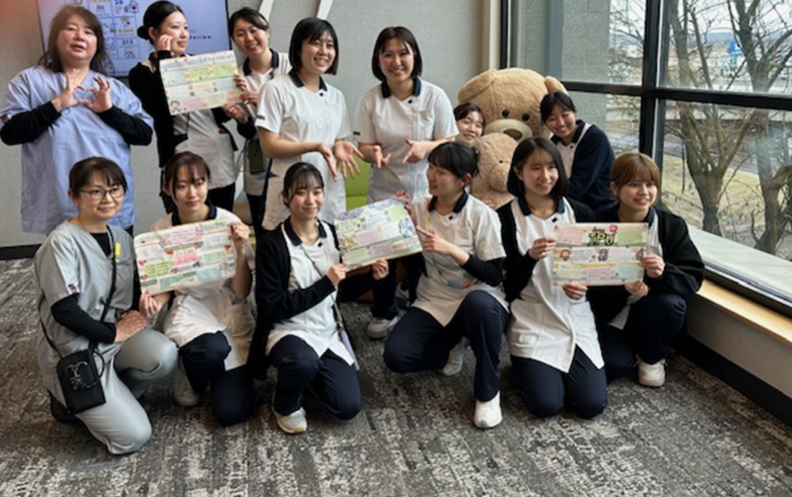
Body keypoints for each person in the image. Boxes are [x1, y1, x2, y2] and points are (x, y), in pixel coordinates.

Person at [35, 157, 176, 455]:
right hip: (74, 351)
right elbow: (65, 312)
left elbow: (134, 287)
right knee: (134, 436)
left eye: (115, 189)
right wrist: (113, 333)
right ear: (74, 196)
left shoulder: (121, 237)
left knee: (163, 354)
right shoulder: (61, 242)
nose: (108, 199)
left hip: (114, 341)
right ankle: (68, 402)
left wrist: (145, 305)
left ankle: (110, 395)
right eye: (95, 192)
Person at [253, 162, 388, 434]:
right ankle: (285, 403)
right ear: (286, 198)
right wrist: (327, 283)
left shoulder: (334, 234)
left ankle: (307, 376)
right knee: (302, 362)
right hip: (287, 330)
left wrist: (370, 279)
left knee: (347, 407)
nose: (311, 200)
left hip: (327, 331)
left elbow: (339, 293)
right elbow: (271, 306)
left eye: (317, 191)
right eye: (301, 192)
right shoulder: (272, 244)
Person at [382, 142, 508, 429]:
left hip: (478, 295)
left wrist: (452, 250)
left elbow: (494, 275)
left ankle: (488, 394)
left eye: (441, 172)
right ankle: (454, 342)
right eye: (431, 168)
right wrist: (394, 226)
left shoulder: (481, 215)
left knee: (478, 304)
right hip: (434, 297)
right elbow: (408, 257)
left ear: (464, 181)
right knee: (397, 357)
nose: (432, 176)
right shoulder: (419, 208)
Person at [0, 5, 152, 235]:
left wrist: (109, 111)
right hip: (59, 208)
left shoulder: (113, 89)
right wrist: (56, 105)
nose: (80, 36)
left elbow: (144, 134)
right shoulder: (29, 82)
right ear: (55, 38)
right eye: (71, 29)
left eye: (89, 32)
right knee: (67, 269)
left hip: (110, 207)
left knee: (118, 268)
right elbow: (11, 133)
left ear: (97, 43)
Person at [354, 26, 457, 338]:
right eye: (388, 54)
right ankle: (384, 312)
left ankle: (420, 309)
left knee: (420, 259)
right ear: (378, 59)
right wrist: (373, 154)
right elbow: (363, 147)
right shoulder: (370, 100)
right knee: (382, 258)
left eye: (403, 53)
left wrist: (427, 148)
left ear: (414, 57)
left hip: (426, 191)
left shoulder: (434, 95)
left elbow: (451, 142)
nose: (396, 61)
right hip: (385, 190)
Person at [497, 138, 607, 419]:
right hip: (532, 317)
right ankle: (523, 367)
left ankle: (546, 372)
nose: (544, 176)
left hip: (574, 314)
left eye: (551, 167)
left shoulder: (579, 213)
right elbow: (505, 287)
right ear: (518, 172)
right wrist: (530, 257)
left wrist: (585, 287)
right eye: (534, 168)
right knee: (546, 405)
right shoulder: (505, 219)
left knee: (591, 405)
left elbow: (597, 271)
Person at [144, 152, 255, 426]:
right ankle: (190, 369)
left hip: (229, 306)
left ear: (208, 183)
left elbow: (241, 292)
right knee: (210, 350)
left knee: (231, 413)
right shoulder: (160, 230)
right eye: (181, 186)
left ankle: (215, 372)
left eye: (198, 183)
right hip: (190, 307)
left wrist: (241, 252)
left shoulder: (228, 222)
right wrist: (155, 303)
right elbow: (163, 286)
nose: (191, 193)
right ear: (167, 188)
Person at [589, 152, 704, 387]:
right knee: (613, 366)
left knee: (669, 305)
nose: (644, 192)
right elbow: (587, 281)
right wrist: (621, 286)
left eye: (650, 184)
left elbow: (693, 277)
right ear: (615, 188)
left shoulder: (672, 225)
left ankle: (652, 357)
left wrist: (663, 272)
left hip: (653, 311)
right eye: (633, 184)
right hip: (610, 313)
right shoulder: (598, 224)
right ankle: (630, 350)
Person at [129, 1, 238, 212]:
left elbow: (217, 116)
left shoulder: (200, 63)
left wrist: (229, 107)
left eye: (185, 28)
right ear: (154, 32)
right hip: (181, 159)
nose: (183, 34)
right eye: (175, 27)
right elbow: (161, 108)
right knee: (185, 229)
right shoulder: (141, 73)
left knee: (222, 226)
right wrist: (164, 58)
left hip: (217, 156)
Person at [256, 17, 361, 235]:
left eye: (330, 45)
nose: (324, 51)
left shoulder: (336, 96)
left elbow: (338, 139)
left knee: (330, 260)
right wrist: (314, 146)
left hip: (327, 190)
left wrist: (340, 145)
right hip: (291, 189)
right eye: (316, 42)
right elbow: (269, 146)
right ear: (298, 47)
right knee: (289, 260)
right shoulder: (275, 89)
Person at [226, 7, 291, 242]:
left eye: (254, 30)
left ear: (268, 31)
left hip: (293, 156)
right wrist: (242, 118)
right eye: (240, 33)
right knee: (265, 231)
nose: (249, 38)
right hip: (259, 160)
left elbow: (303, 110)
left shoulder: (290, 65)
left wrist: (264, 99)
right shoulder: (236, 77)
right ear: (234, 40)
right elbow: (249, 131)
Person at [540, 92, 615, 212]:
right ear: (545, 123)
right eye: (552, 119)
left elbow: (578, 186)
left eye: (565, 115)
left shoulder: (594, 138)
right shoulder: (552, 144)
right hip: (567, 209)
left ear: (574, 113)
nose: (560, 123)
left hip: (598, 211)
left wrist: (542, 202)